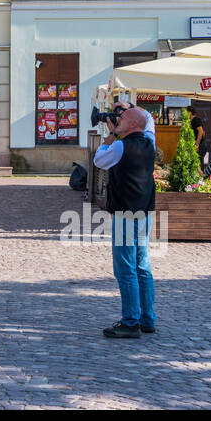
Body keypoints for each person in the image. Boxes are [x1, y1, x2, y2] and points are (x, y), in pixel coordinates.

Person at [92, 106, 157, 339]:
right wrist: (130, 114)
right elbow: (147, 119)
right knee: (142, 266)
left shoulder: (120, 146)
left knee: (125, 268)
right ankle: (148, 319)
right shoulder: (150, 143)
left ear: (132, 126)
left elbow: (99, 160)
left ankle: (130, 322)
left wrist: (110, 135)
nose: (117, 119)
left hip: (125, 213)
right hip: (145, 212)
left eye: (122, 117)